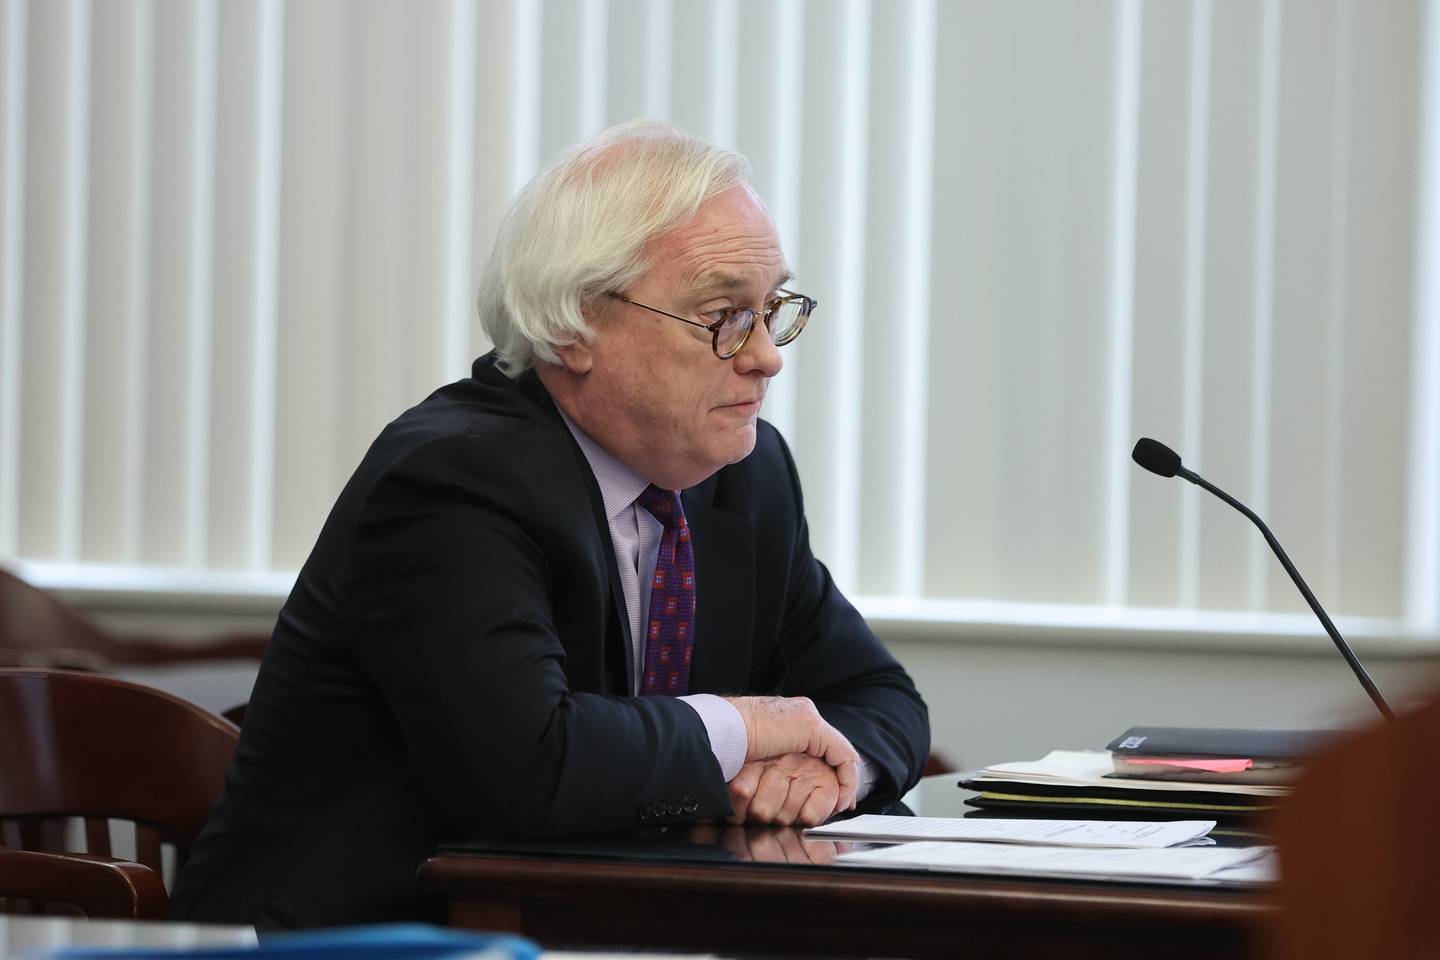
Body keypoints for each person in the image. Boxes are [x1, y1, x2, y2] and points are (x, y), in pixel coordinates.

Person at [169, 120, 929, 929]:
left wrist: (834, 772)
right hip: (358, 940)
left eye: (771, 309)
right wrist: (747, 727)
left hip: (603, 925)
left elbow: (880, 696)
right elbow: (534, 767)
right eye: (722, 317)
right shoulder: (454, 480)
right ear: (573, 328)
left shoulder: (745, 473)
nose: (766, 357)